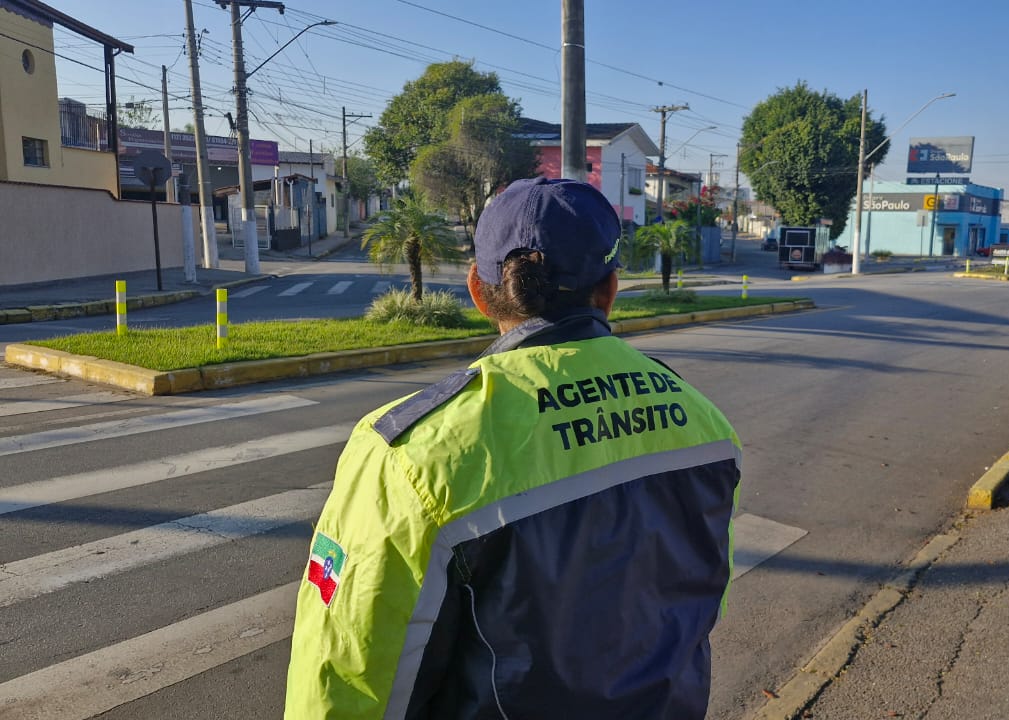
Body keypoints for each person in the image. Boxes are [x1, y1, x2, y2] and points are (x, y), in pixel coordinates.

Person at [285, 177, 742, 719]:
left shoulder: (412, 454)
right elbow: (700, 600)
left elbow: (349, 670)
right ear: (611, 289)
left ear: (479, 291)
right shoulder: (704, 422)